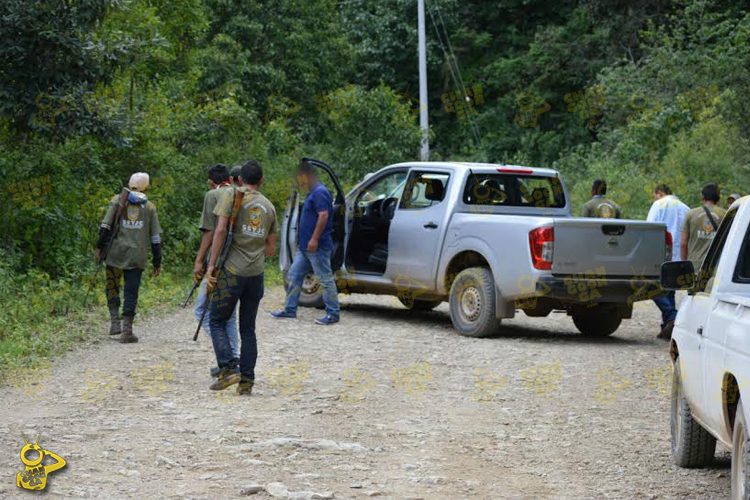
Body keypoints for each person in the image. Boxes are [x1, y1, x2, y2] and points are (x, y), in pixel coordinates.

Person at [206, 160, 278, 393]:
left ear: (239, 180)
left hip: (232, 272)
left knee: (216, 319)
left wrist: (211, 267)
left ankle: (229, 367)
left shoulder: (232, 198)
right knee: (248, 328)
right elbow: (270, 248)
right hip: (255, 274)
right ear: (262, 180)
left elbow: (219, 231)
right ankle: (246, 381)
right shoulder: (269, 206)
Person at [271, 161, 340, 325]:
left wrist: (314, 238)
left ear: (307, 176)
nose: (299, 181)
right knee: (294, 275)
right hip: (305, 247)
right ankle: (290, 310)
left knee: (325, 279)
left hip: (317, 246)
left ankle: (333, 313)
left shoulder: (320, 193)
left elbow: (323, 216)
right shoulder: (313, 192)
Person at [96, 172, 162, 343]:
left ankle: (114, 323)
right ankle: (127, 330)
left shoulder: (117, 201)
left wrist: (99, 247)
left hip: (115, 254)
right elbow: (155, 238)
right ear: (146, 187)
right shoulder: (149, 207)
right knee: (131, 292)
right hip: (136, 256)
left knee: (112, 286)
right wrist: (157, 260)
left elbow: (105, 226)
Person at [193, 164, 239, 376]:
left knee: (202, 309)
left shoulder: (213, 194)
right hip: (237, 263)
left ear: (212, 180)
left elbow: (210, 233)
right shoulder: (241, 195)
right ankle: (233, 357)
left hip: (218, 261)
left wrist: (200, 261)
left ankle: (226, 357)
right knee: (229, 314)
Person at [646, 184, 689, 340]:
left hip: (662, 255)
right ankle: (667, 327)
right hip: (679, 257)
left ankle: (672, 316)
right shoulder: (685, 207)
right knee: (669, 290)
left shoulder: (659, 205)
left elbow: (649, 229)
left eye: (654, 195)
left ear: (659, 193)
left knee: (652, 288)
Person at [681, 182, 726, 270]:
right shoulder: (724, 214)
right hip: (717, 266)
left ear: (702, 196)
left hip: (694, 266)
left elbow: (683, 243)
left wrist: (684, 263)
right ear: (718, 198)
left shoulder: (691, 214)